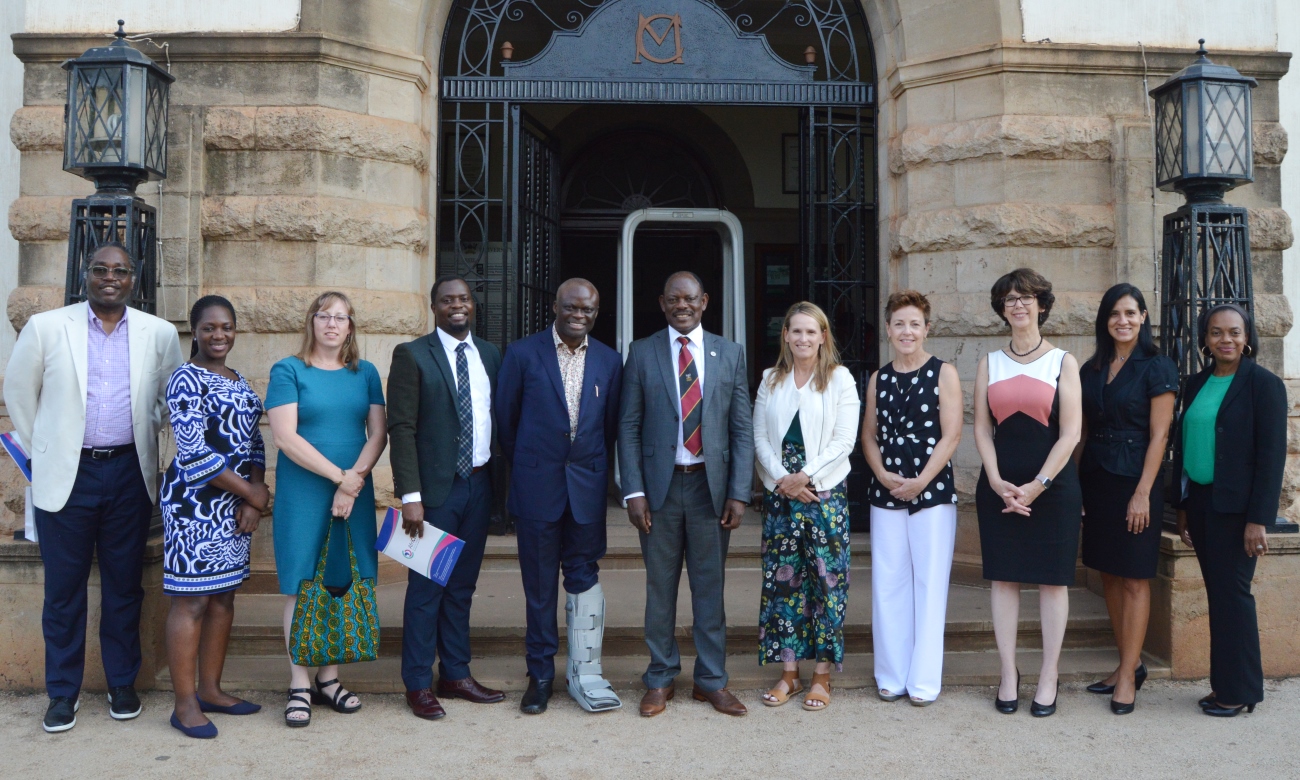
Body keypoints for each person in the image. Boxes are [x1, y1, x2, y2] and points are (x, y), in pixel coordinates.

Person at [4, 242, 183, 733]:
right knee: (63, 591)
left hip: (129, 473)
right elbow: (19, 391)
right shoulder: (47, 328)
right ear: (87, 275)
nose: (110, 277)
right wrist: (43, 450)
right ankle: (62, 692)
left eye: (120, 271)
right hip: (68, 475)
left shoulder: (160, 334)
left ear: (134, 278)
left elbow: (170, 402)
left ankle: (122, 684)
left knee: (125, 586)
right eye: (101, 269)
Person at [618, 270, 755, 718]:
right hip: (658, 489)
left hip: (709, 490)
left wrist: (739, 492)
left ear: (705, 301)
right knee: (660, 590)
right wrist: (632, 489)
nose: (682, 305)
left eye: (690, 298)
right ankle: (659, 678)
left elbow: (741, 427)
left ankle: (711, 680)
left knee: (709, 589)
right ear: (662, 302)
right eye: (674, 298)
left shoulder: (730, 353)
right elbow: (629, 426)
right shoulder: (641, 352)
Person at [495, 278, 624, 715]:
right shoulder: (522, 354)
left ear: (596, 312)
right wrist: (535, 466)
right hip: (537, 490)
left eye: (588, 309)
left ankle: (585, 670)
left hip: (585, 490)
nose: (579, 315)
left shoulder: (609, 360)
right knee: (539, 589)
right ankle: (541, 675)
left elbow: (607, 429)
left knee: (583, 576)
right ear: (555, 306)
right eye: (571, 307)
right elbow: (506, 424)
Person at [265, 291, 387, 727]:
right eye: (324, 316)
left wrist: (352, 483)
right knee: (301, 582)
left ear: (351, 327)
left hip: (354, 489)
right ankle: (299, 681)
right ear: (311, 322)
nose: (332, 324)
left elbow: (377, 435)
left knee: (341, 578)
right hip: (305, 491)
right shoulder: (289, 370)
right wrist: (340, 478)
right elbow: (285, 438)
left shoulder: (366, 373)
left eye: (341, 318)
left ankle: (329, 679)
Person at [388, 276, 505, 721]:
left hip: (478, 486)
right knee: (426, 587)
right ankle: (417, 682)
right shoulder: (413, 355)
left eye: (463, 299)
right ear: (433, 306)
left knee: (462, 587)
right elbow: (402, 428)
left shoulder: (490, 354)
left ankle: (455, 674)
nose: (457, 306)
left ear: (473, 306)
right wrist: (411, 495)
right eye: (447, 300)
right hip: (434, 494)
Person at [973, 267, 1082, 718]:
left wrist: (1038, 486)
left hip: (1051, 488)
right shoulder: (988, 363)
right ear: (1002, 309)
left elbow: (1071, 433)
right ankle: (1007, 673)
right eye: (1010, 299)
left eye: (1026, 297)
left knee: (1052, 583)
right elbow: (981, 428)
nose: (1018, 304)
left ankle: (1049, 675)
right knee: (1004, 580)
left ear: (1042, 305)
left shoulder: (1063, 362)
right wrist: (998, 482)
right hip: (999, 488)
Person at [160, 296, 270, 738]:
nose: (218, 335)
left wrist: (251, 498)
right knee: (192, 600)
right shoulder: (185, 379)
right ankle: (184, 704)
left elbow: (255, 444)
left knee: (223, 597)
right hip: (193, 506)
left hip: (234, 508)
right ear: (195, 331)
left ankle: (211, 690)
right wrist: (254, 495)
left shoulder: (240, 380)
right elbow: (194, 455)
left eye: (226, 327)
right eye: (209, 328)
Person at [1172, 304, 1285, 717]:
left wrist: (1259, 519)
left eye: (1234, 332)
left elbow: (1271, 459)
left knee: (1234, 597)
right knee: (1219, 597)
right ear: (1205, 339)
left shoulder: (1263, 384)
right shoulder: (1195, 383)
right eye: (1217, 333)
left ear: (1247, 336)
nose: (1226, 340)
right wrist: (1182, 505)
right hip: (1201, 504)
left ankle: (1240, 692)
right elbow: (1185, 447)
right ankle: (1225, 685)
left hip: (1238, 512)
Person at [1076, 285, 1177, 715]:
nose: (1123, 320)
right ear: (1105, 319)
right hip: (1097, 478)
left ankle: (1129, 675)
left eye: (1130, 313)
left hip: (1138, 479)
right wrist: (1073, 487)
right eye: (1115, 313)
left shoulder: (1157, 366)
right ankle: (1126, 667)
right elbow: (1079, 432)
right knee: (1110, 576)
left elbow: (1160, 435)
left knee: (1135, 576)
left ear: (1143, 316)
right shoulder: (1092, 367)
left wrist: (1142, 493)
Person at [754, 302, 859, 711]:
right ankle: (789, 675)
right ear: (785, 335)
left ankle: (821, 677)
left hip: (823, 499)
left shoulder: (839, 379)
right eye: (795, 331)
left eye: (810, 332)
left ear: (823, 337)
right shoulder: (770, 379)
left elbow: (843, 441)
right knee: (784, 589)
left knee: (825, 586)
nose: (802, 339)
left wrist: (806, 477)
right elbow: (760, 437)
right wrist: (784, 480)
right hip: (782, 499)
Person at [862, 291, 962, 707]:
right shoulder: (878, 378)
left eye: (914, 323)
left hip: (932, 491)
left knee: (929, 583)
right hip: (885, 491)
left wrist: (920, 480)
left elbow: (952, 434)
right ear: (888, 329)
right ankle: (890, 675)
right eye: (899, 323)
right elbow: (868, 435)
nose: (907, 331)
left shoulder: (945, 373)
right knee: (888, 582)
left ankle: (923, 681)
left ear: (926, 329)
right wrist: (882, 473)